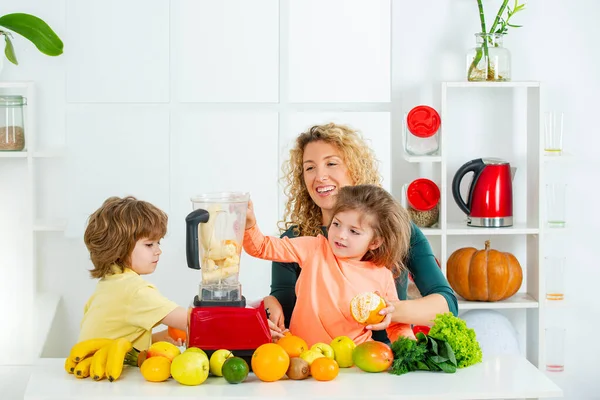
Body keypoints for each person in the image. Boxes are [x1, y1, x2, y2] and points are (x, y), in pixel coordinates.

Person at [265, 123, 458, 344]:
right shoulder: (294, 239)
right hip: (318, 364)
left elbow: (446, 305)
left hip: (383, 362)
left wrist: (387, 311)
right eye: (310, 168)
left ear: (354, 168)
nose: (319, 176)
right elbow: (285, 312)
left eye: (331, 163)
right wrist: (269, 306)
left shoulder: (399, 230)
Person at [244, 184, 416, 346]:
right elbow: (262, 247)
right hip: (304, 358)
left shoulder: (382, 275)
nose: (340, 235)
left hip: (356, 362)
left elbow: (396, 324)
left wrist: (410, 348)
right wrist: (249, 225)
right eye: (336, 224)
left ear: (375, 242)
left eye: (353, 231)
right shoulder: (314, 248)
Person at [78, 196, 188, 351]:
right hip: (104, 371)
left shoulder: (110, 284)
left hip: (93, 368)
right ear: (119, 247)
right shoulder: (134, 290)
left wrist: (161, 337)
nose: (158, 251)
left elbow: (120, 341)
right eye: (149, 244)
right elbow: (192, 322)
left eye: (158, 243)